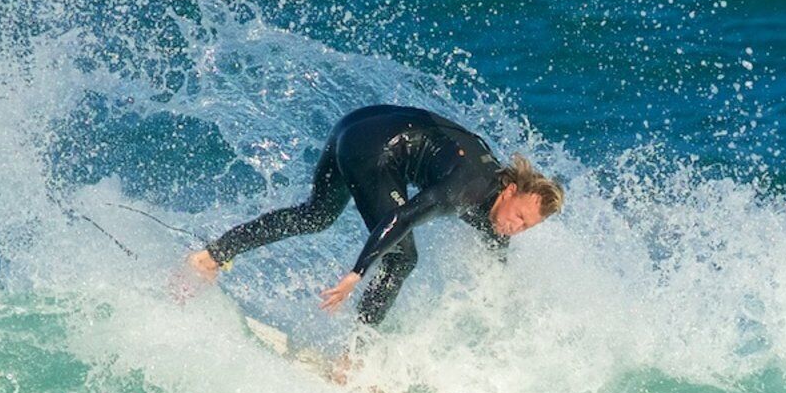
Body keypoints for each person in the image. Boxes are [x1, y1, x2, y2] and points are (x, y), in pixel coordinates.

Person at [186, 104, 564, 325]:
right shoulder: (466, 188)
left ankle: (210, 256)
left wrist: (504, 299)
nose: (515, 228)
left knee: (316, 215)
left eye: (525, 227)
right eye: (519, 216)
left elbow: (495, 253)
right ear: (511, 190)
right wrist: (357, 273)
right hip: (372, 150)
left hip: (354, 126)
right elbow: (402, 219)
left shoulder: (498, 214)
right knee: (403, 258)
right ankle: (355, 356)